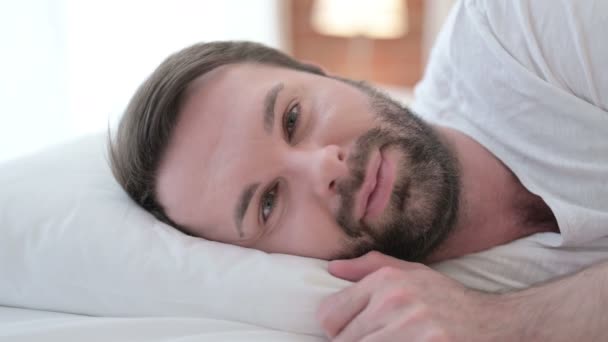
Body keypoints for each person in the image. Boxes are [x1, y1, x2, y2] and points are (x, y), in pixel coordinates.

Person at [110, 0, 607, 340]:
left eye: (292, 117)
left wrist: (500, 324)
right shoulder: (397, 319)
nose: (324, 166)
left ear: (322, 73)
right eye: (268, 203)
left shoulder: (521, 30)